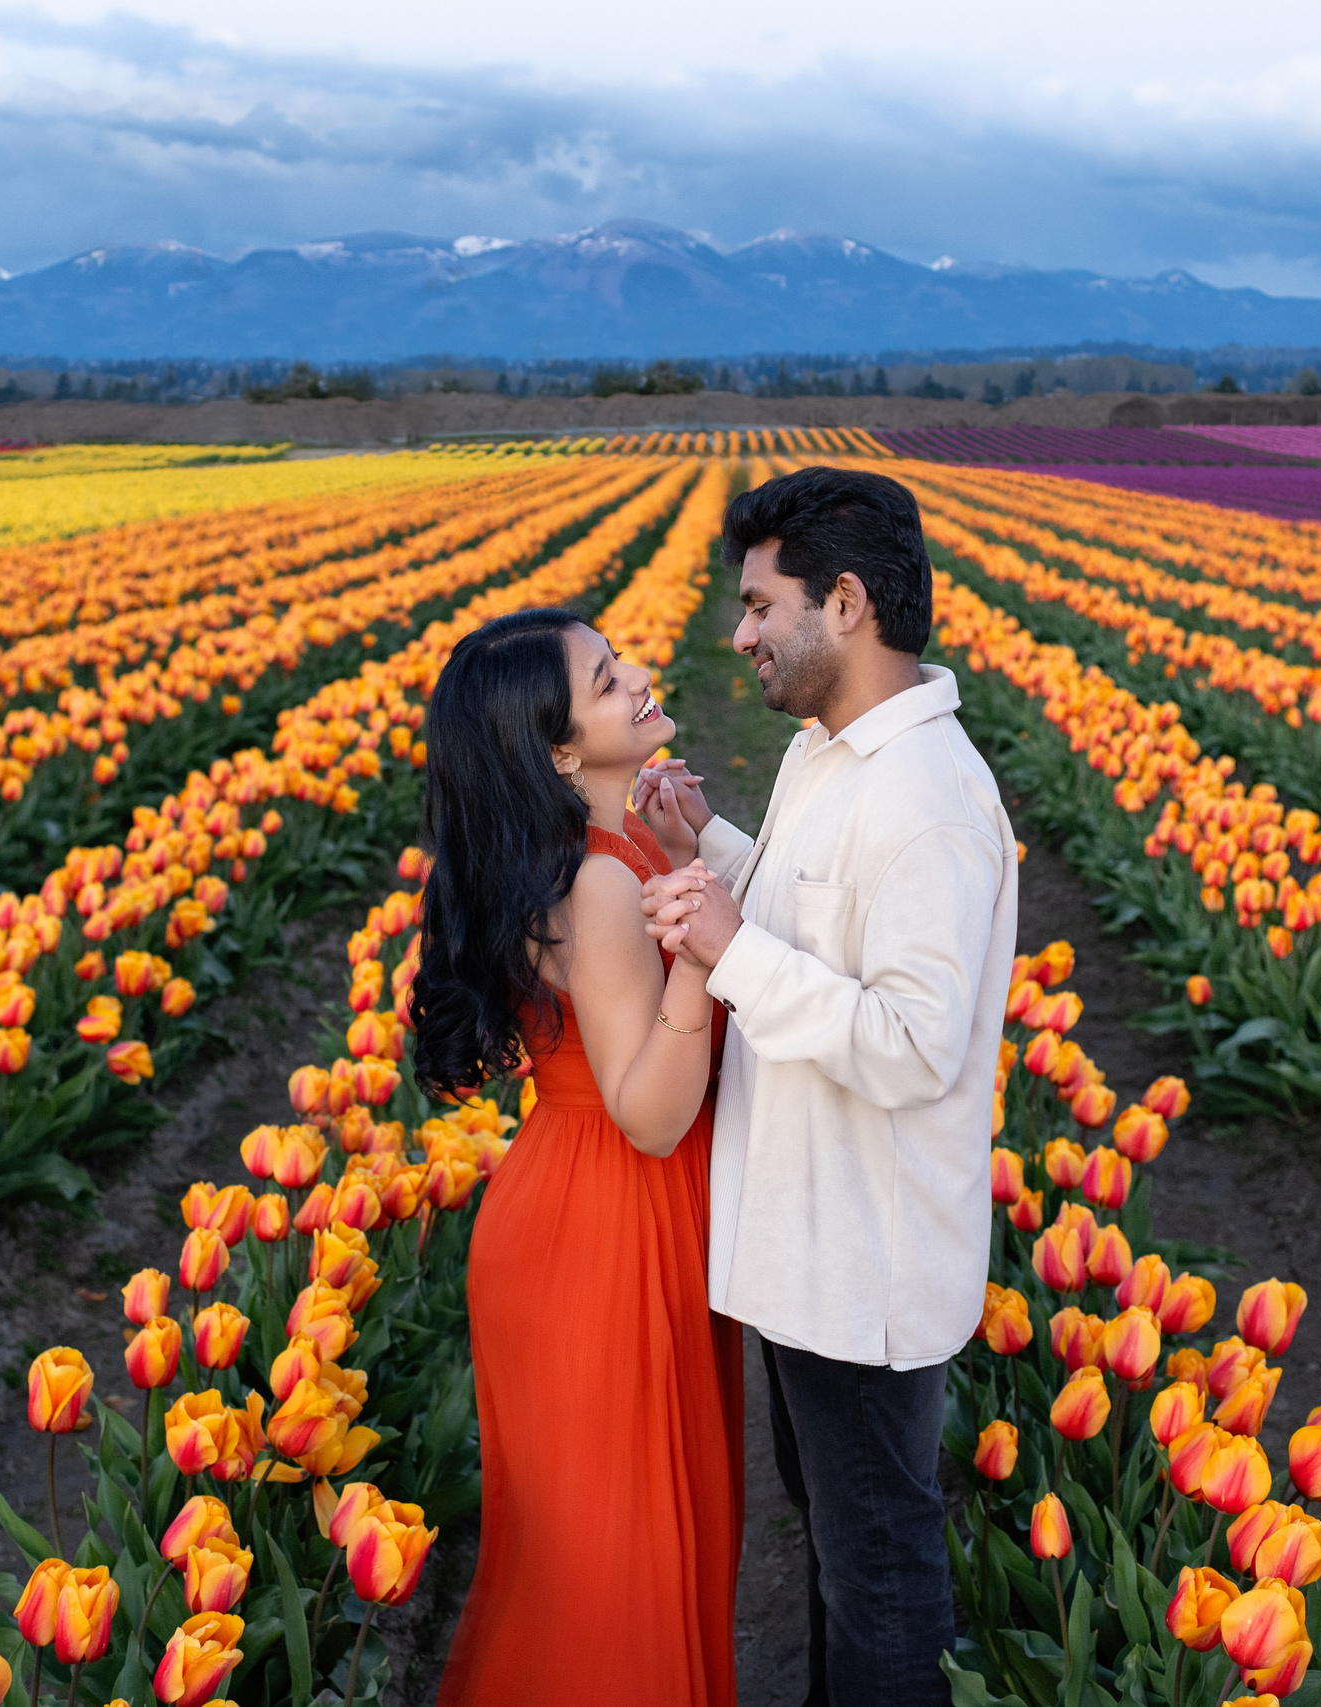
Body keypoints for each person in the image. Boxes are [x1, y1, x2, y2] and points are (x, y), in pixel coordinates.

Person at [640, 466, 1018, 1707]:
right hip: (811, 1243)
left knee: (881, 1574)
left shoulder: (927, 799)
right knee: (839, 1545)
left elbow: (912, 1045)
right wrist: (712, 847)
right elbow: (822, 916)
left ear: (844, 602)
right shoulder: (831, 752)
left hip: (865, 1262)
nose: (738, 634)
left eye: (761, 605)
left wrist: (727, 953)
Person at [411, 607, 743, 1707]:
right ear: (558, 752)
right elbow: (648, 1112)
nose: (639, 674)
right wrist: (701, 960)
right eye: (606, 679)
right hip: (607, 1225)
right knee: (616, 1575)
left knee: (604, 1559)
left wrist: (688, 865)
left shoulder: (615, 846)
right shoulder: (593, 882)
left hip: (594, 1204)